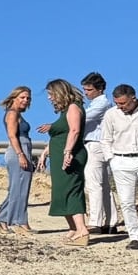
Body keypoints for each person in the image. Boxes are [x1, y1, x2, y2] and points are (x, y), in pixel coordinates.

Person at [43, 79, 90, 246]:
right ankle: (73, 228)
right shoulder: (64, 111)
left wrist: (68, 152)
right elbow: (60, 134)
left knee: (72, 190)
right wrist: (45, 153)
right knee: (62, 191)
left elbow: (75, 130)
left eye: (51, 94)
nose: (50, 98)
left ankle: (82, 230)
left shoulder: (73, 107)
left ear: (60, 92)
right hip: (59, 156)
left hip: (71, 155)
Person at [0, 86, 36, 235]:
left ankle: (2, 220)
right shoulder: (12, 114)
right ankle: (19, 221)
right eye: (22, 97)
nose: (26, 100)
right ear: (14, 98)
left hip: (23, 149)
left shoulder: (17, 113)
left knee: (19, 188)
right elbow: (12, 136)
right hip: (18, 150)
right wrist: (21, 154)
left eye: (28, 98)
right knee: (19, 189)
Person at [102, 84, 138, 250]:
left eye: (123, 103)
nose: (120, 107)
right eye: (117, 103)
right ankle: (135, 236)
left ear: (133, 98)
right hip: (121, 160)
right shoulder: (111, 114)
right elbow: (105, 139)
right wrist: (112, 160)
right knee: (126, 201)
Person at [80, 74, 115, 235]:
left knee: (94, 184)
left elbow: (82, 119)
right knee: (104, 185)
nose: (86, 92)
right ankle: (110, 220)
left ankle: (96, 221)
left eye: (89, 89)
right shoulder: (99, 103)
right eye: (85, 89)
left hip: (95, 144)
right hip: (99, 145)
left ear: (99, 89)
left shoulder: (101, 104)